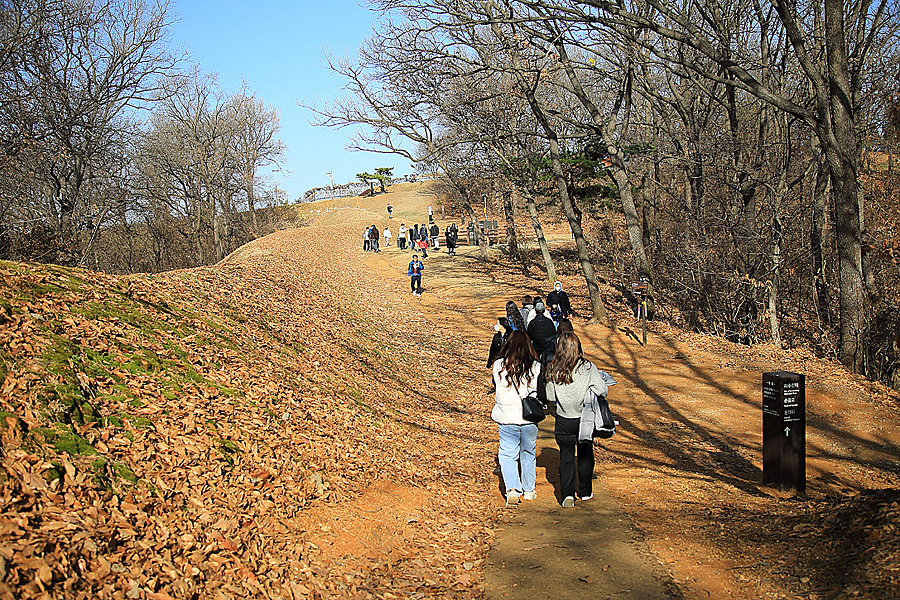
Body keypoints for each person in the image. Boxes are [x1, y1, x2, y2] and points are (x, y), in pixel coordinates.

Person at [545, 332, 608, 507]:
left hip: (564, 418)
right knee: (585, 454)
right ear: (578, 347)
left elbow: (550, 396)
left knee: (566, 457)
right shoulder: (588, 367)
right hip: (585, 419)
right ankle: (586, 490)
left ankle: (567, 495)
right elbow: (602, 390)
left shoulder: (553, 369)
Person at [492, 330, 541, 506]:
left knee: (507, 453)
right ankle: (528, 490)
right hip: (528, 416)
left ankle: (512, 489)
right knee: (528, 453)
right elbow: (538, 391)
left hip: (506, 417)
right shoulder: (535, 366)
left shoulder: (498, 366)